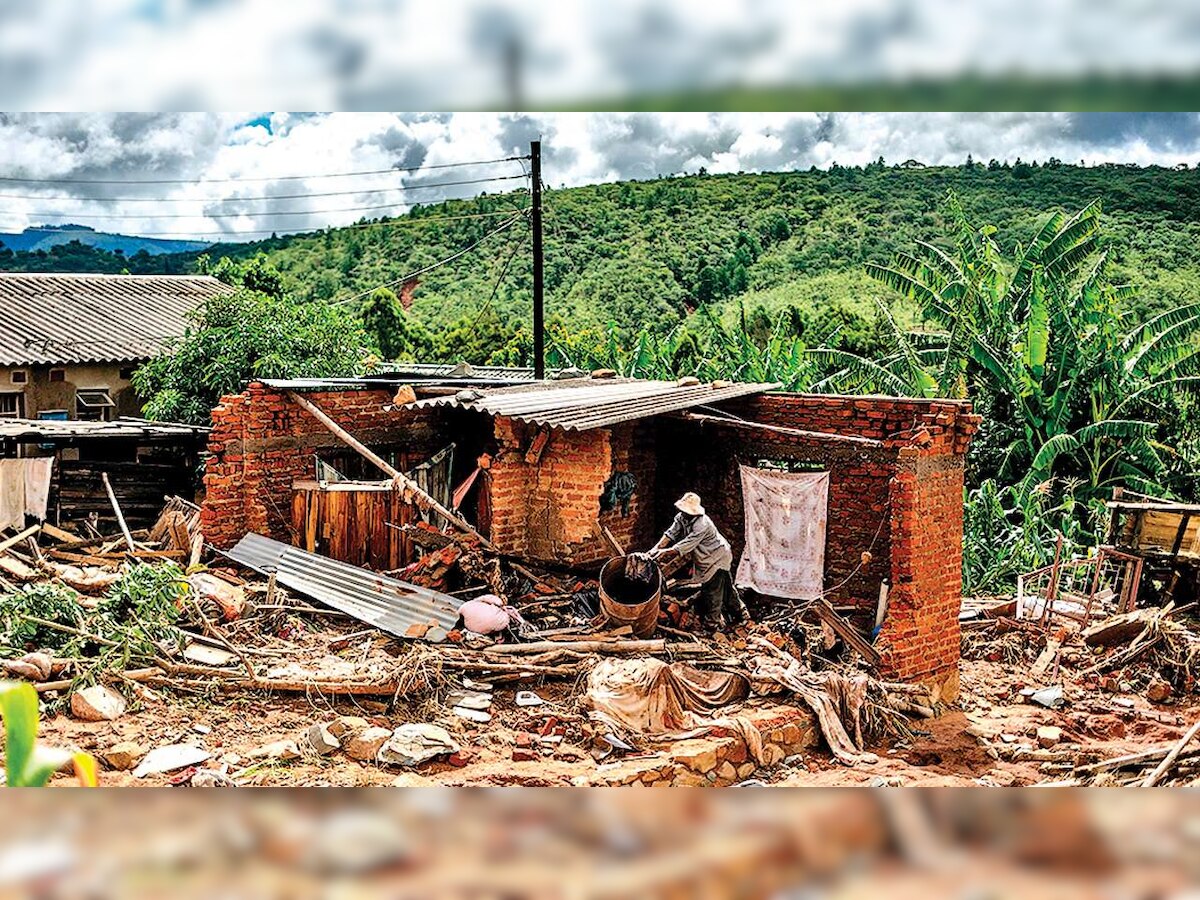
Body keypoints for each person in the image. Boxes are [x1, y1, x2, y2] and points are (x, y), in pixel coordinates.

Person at [648, 492, 748, 631]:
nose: (683, 513)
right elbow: (670, 534)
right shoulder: (681, 518)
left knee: (713, 591)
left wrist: (662, 553)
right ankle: (742, 613)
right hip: (706, 558)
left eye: (686, 511)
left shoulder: (702, 524)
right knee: (726, 588)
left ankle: (712, 625)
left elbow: (684, 546)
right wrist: (653, 550)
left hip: (716, 557)